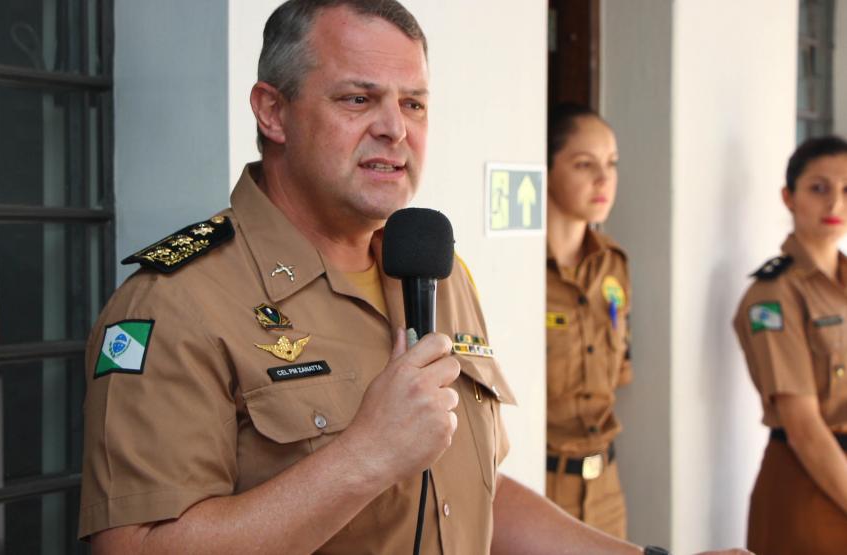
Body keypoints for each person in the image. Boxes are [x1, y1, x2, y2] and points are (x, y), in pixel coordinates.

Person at [80, 1, 748, 553]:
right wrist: (364, 455)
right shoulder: (177, 301)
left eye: (415, 104)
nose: (395, 129)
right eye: (357, 98)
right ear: (272, 112)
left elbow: (474, 492)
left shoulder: (434, 269)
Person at [733, 135, 847, 554]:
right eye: (819, 189)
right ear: (789, 197)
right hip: (809, 489)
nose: (834, 204)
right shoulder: (773, 295)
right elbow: (803, 428)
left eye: (846, 190)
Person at [544, 103, 630, 537]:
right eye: (584, 164)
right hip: (539, 487)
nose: (604, 180)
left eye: (611, 165)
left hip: (605, 490)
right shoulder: (523, 271)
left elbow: (620, 371)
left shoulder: (612, 266)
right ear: (547, 168)